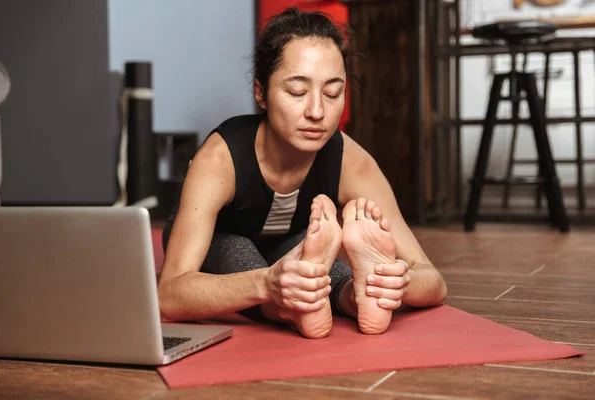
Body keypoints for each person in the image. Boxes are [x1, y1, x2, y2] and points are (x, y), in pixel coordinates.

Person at [158, 7, 447, 338]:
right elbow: (169, 295)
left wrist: (397, 283)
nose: (317, 112)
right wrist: (267, 282)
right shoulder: (220, 159)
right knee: (241, 252)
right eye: (297, 92)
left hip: (292, 244)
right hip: (219, 240)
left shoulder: (352, 162)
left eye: (332, 93)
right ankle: (289, 305)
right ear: (260, 93)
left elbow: (433, 281)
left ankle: (351, 296)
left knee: (308, 259)